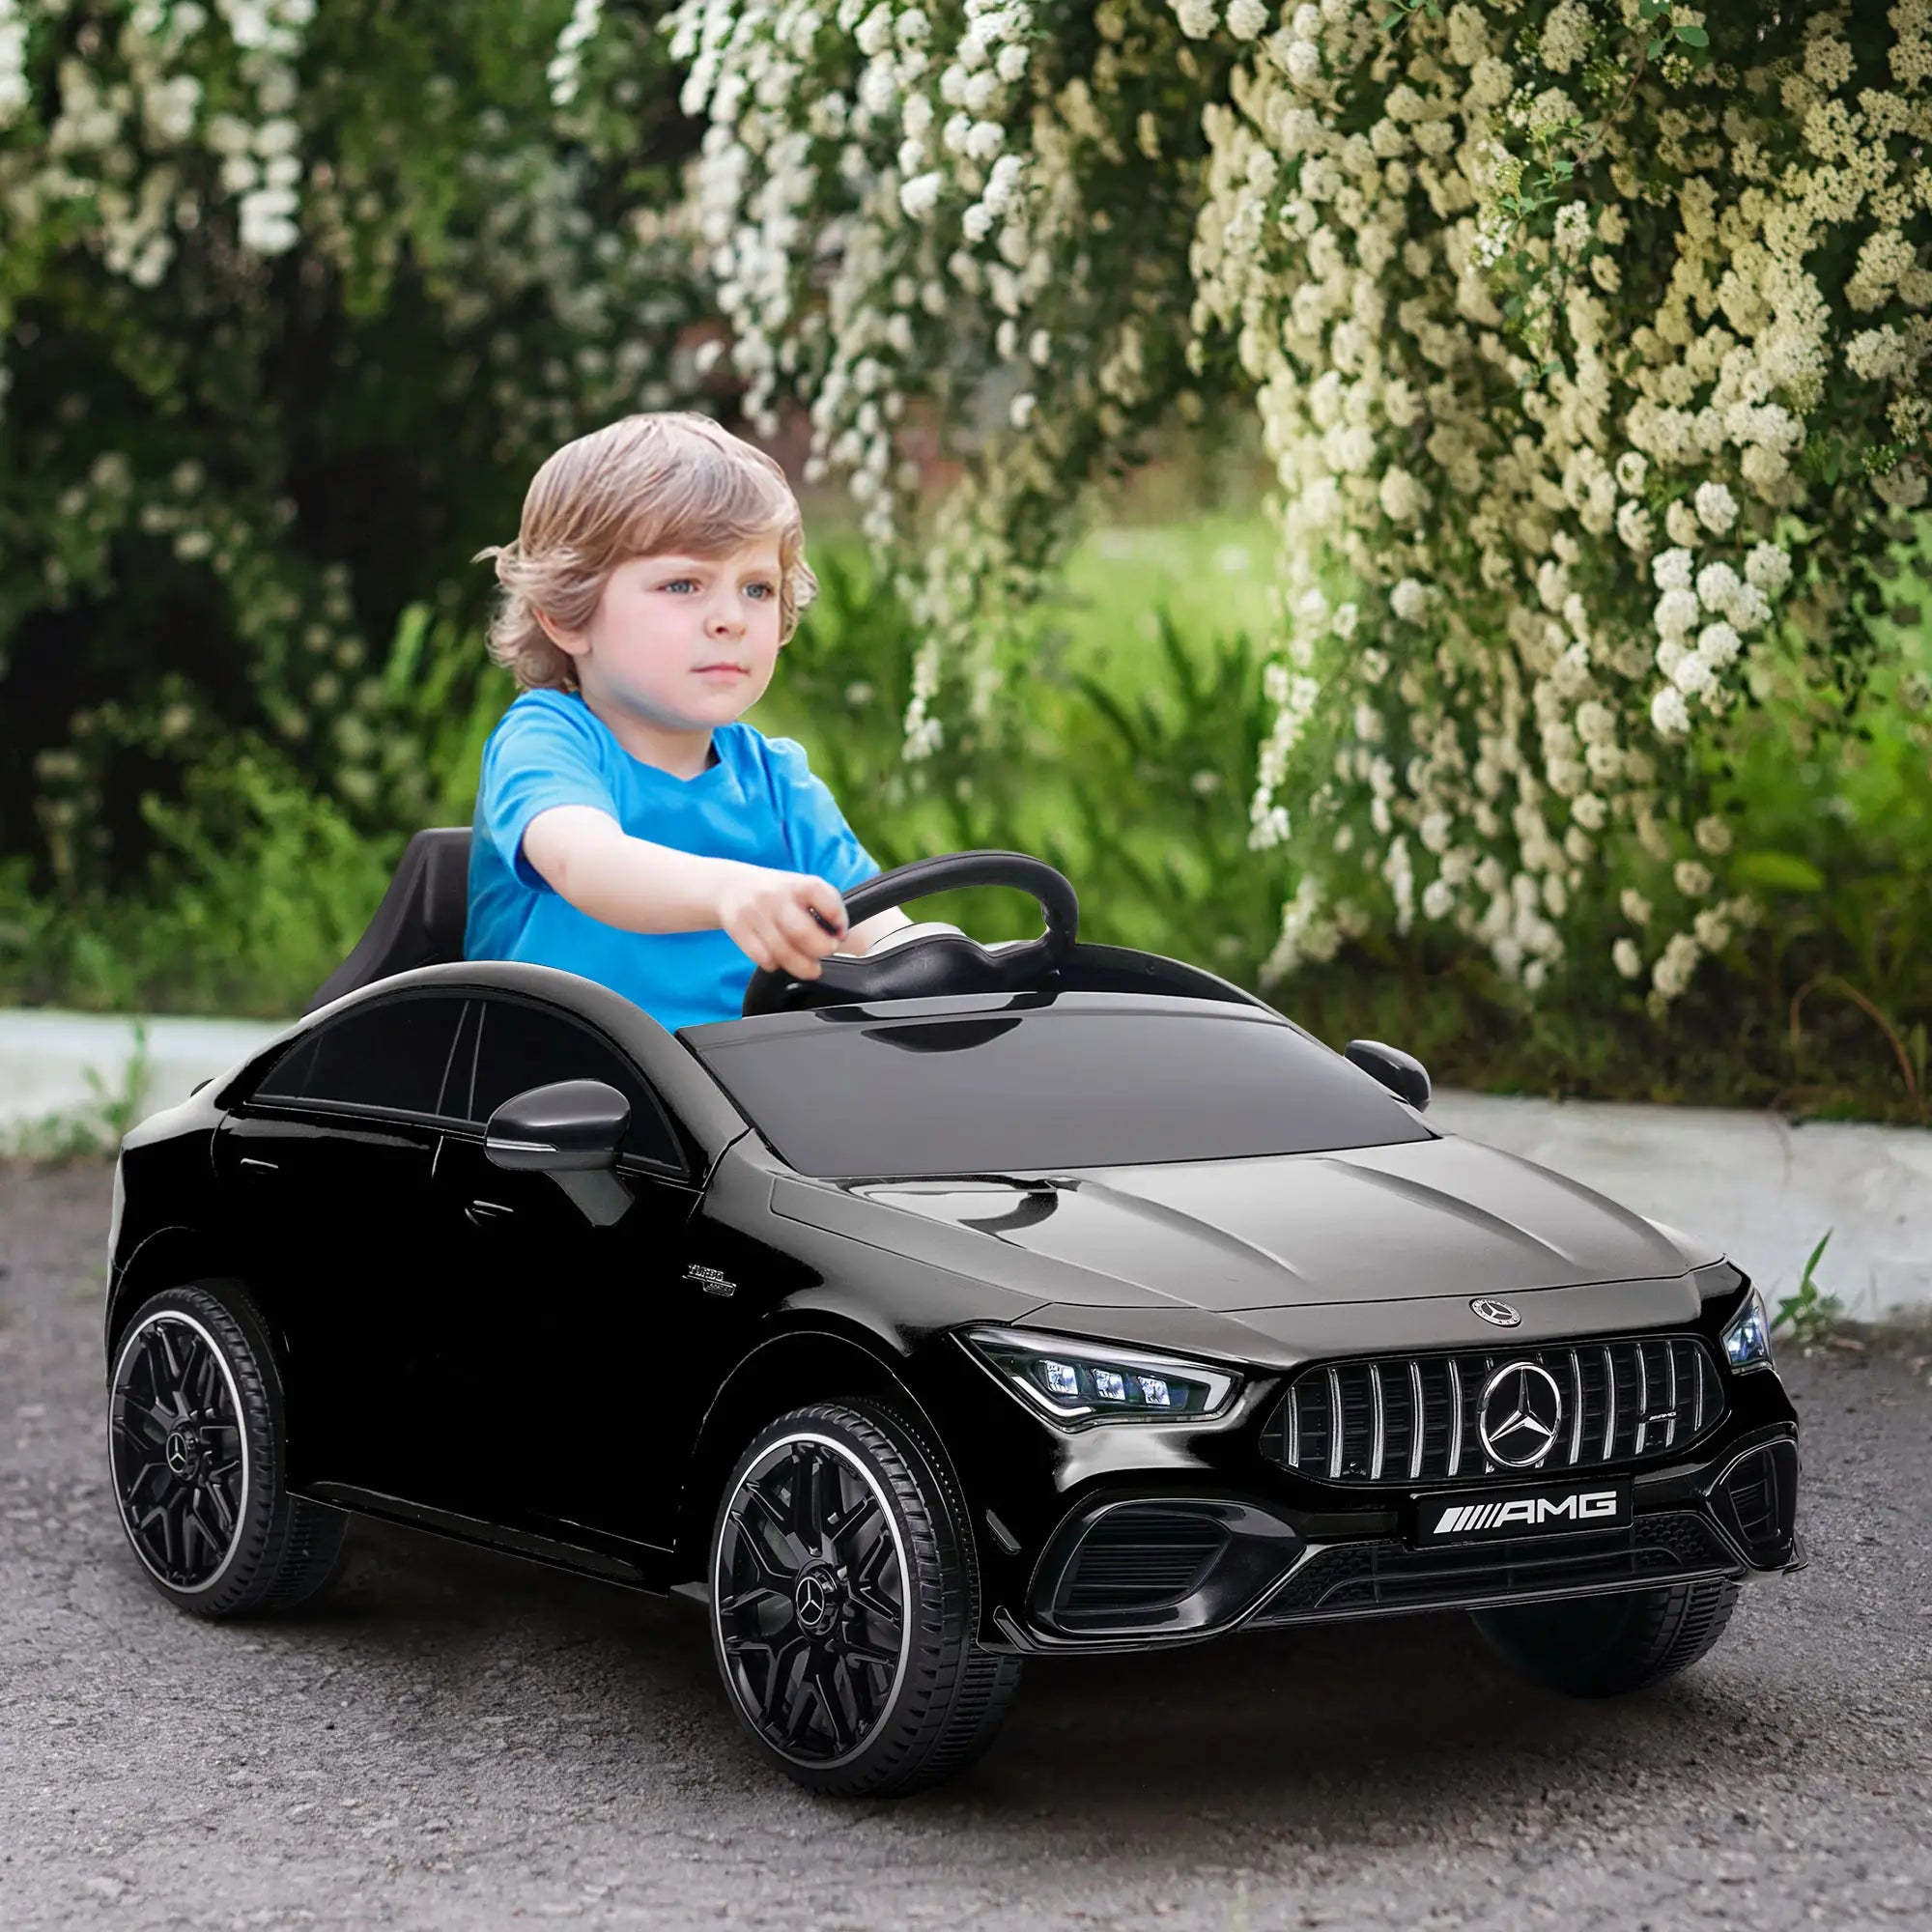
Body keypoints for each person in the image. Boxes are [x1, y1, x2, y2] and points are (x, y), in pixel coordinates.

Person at [465, 412, 914, 1031]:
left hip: (741, 1099)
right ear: (566, 615)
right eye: (683, 585)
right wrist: (730, 893)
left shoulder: (777, 779)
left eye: (757, 588)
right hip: (561, 1093)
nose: (730, 618)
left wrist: (944, 958)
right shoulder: (547, 741)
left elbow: (871, 923)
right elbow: (587, 864)